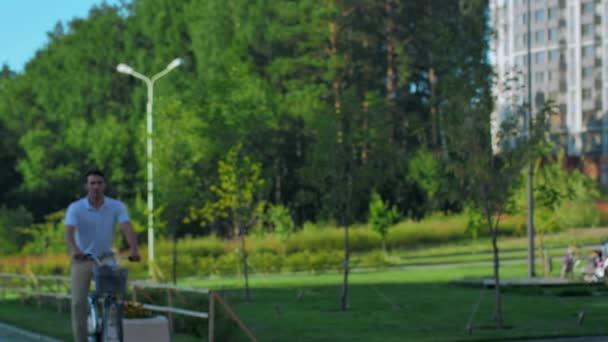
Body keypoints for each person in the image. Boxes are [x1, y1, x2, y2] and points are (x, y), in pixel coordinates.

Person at [64, 169, 140, 342]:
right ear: (86, 186)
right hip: (83, 258)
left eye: (99, 183)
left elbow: (127, 227)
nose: (96, 187)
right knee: (77, 302)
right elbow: (69, 234)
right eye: (92, 183)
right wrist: (75, 250)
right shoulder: (75, 208)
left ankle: (111, 333)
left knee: (114, 298)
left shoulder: (116, 206)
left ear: (104, 185)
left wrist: (134, 250)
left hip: (105, 257)